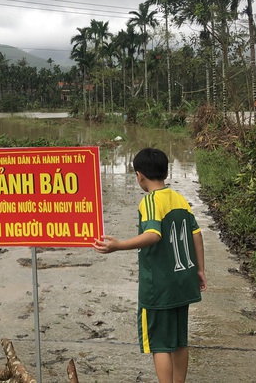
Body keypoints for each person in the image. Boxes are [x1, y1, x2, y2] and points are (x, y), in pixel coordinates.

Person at [93, 147, 206, 383]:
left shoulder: (151, 201)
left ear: (140, 175)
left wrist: (118, 245)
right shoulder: (179, 199)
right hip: (183, 282)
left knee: (160, 344)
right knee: (179, 341)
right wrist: (200, 269)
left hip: (159, 288)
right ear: (164, 172)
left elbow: (153, 234)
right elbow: (196, 234)